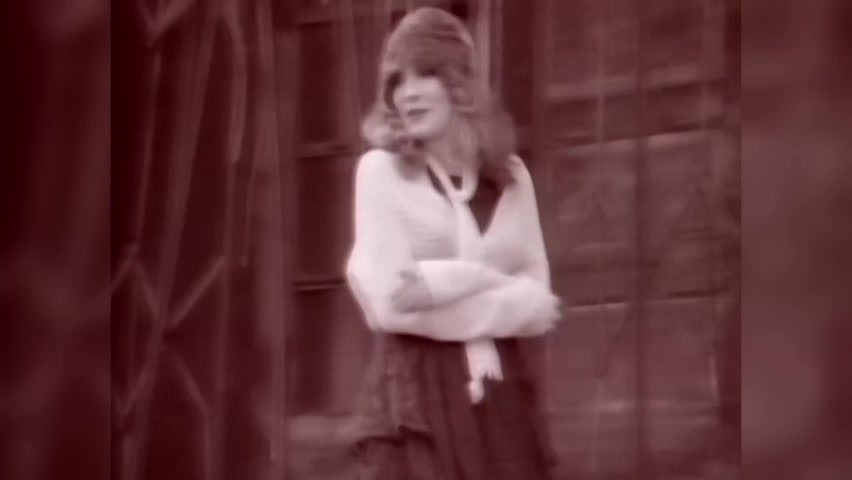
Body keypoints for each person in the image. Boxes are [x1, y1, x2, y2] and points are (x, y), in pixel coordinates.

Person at [345, 7, 562, 479]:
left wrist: (436, 283)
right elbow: (391, 306)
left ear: (459, 83)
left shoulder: (510, 176)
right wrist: (485, 281)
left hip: (499, 394)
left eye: (425, 74)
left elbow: (540, 305)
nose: (408, 93)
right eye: (397, 81)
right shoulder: (380, 172)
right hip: (413, 397)